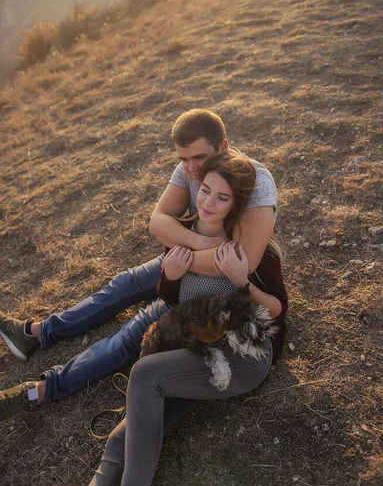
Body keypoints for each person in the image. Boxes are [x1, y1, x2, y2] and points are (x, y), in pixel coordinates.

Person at [0, 109, 280, 420]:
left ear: (223, 147)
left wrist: (183, 258)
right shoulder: (190, 169)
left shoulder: (255, 181)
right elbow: (157, 223)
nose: (191, 168)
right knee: (127, 282)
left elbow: (240, 260)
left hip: (216, 288)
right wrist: (199, 245)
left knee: (133, 332)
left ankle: (41, 388)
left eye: (198, 157)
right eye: (183, 159)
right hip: (185, 261)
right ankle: (37, 333)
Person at [86, 150, 287, 486]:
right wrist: (172, 275)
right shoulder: (181, 235)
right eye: (206, 190)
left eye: (222, 197)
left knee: (145, 375)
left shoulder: (247, 250)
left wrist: (242, 281)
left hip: (242, 356)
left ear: (234, 205)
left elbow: (277, 309)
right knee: (129, 428)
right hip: (196, 352)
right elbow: (176, 301)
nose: (209, 202)